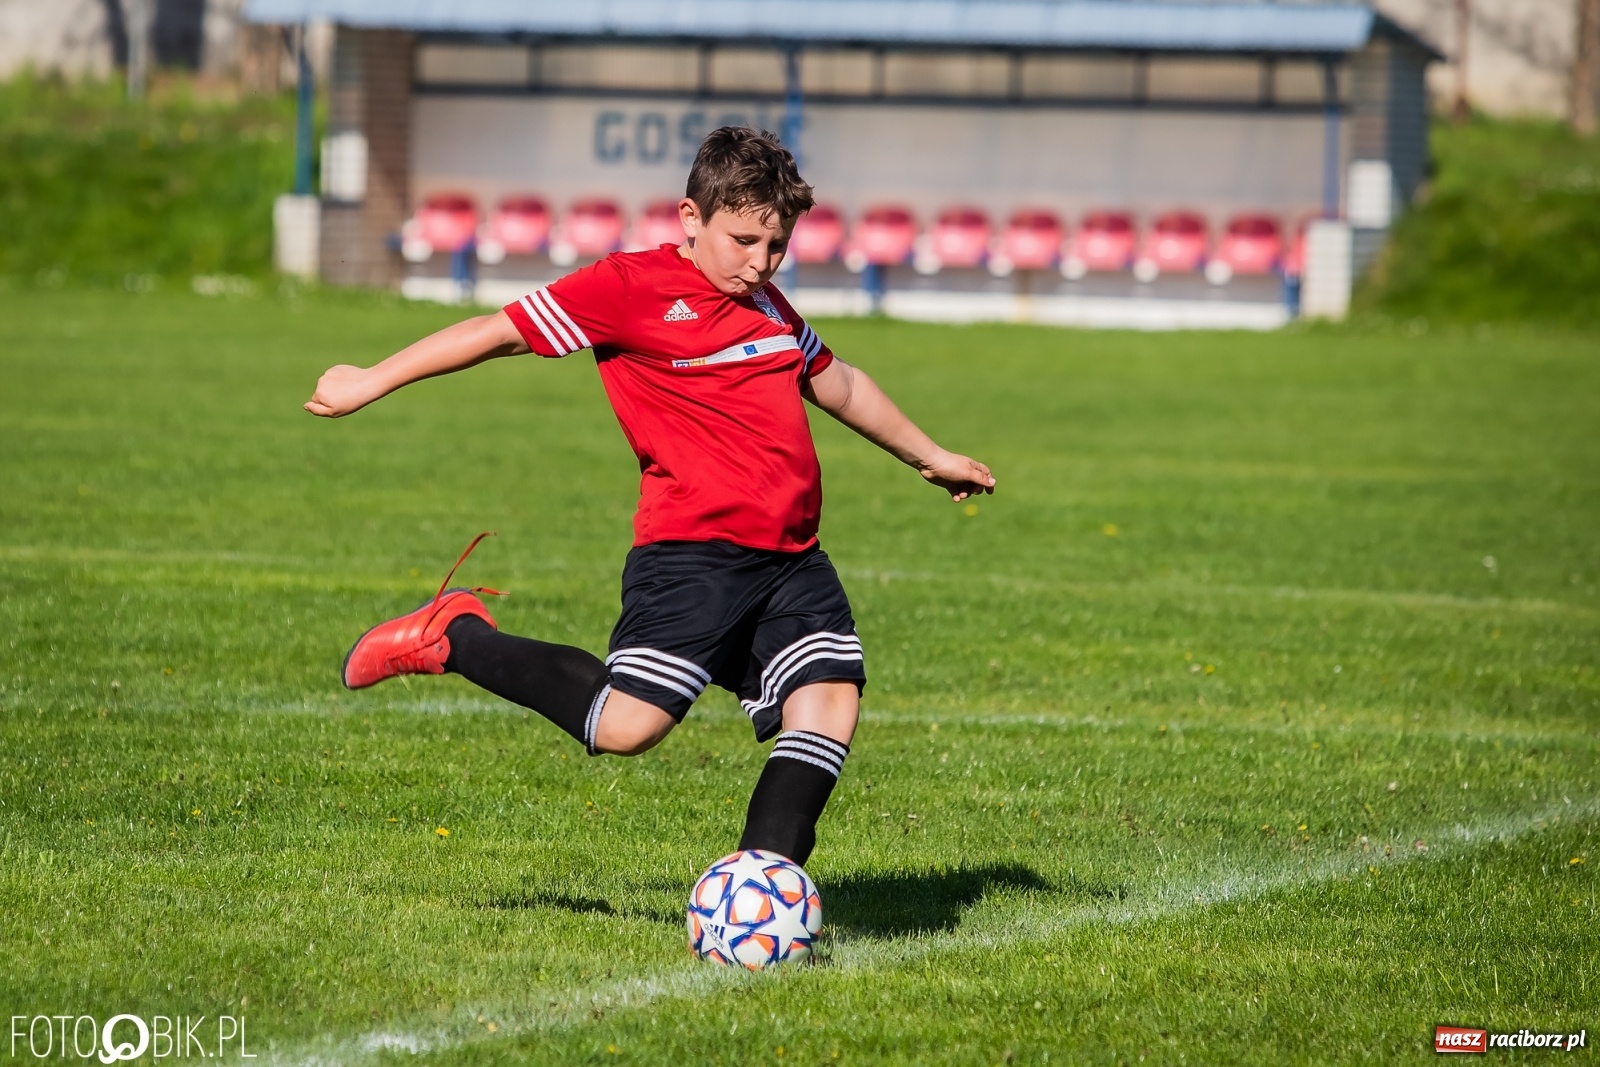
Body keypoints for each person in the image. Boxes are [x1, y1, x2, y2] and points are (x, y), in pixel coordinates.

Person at [304, 127, 994, 867]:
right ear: (690, 218)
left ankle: (762, 887)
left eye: (777, 247)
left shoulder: (767, 306)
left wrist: (931, 456)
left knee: (828, 701)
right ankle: (456, 635)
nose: (761, 263)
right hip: (694, 554)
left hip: (791, 559)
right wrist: (370, 378)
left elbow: (840, 383)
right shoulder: (628, 288)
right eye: (743, 241)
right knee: (626, 727)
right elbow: (495, 332)